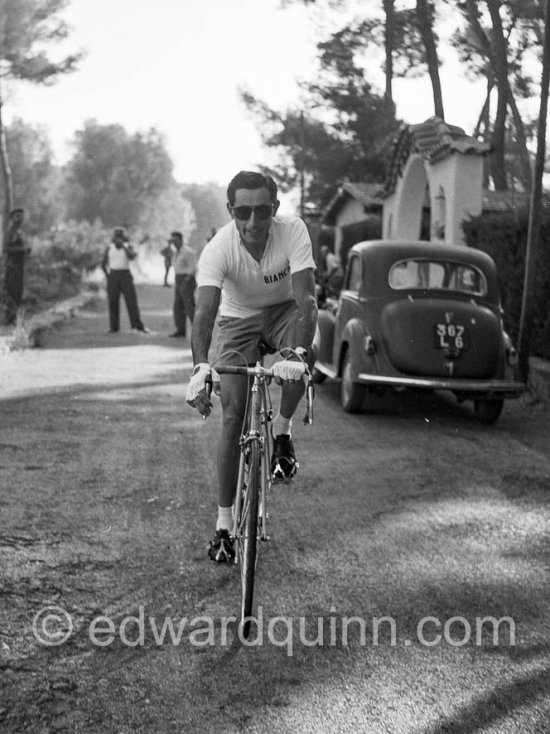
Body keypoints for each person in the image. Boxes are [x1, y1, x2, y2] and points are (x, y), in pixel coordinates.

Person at [185, 170, 318, 563]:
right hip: (238, 321)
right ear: (231, 211)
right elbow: (205, 314)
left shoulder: (293, 231)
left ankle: (281, 432)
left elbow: (307, 300)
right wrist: (199, 368)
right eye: (243, 212)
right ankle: (224, 526)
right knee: (233, 416)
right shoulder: (218, 249)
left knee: (305, 353)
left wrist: (296, 355)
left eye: (262, 211)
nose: (253, 222)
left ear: (275, 208)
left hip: (283, 312)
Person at [101, 227, 149, 334]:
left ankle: (137, 325)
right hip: (113, 275)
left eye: (120, 237)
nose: (119, 240)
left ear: (123, 238)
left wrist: (123, 246)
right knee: (113, 301)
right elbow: (103, 264)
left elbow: (132, 257)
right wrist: (108, 276)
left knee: (131, 301)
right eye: (117, 237)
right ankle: (114, 327)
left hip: (125, 275)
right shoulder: (109, 248)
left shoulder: (128, 247)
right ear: (114, 238)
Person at [3, 208, 31, 325]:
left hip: (20, 266)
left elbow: (24, 247)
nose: (20, 219)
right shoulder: (9, 232)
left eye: (21, 216)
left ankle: (14, 317)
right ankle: (9, 318)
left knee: (18, 292)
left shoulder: (21, 232)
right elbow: (5, 249)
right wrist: (21, 249)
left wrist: (27, 250)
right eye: (17, 216)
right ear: (12, 218)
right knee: (12, 291)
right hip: (11, 266)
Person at [169, 231, 196, 338]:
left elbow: (193, 267)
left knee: (189, 306)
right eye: (172, 241)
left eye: (176, 240)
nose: (174, 243)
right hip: (178, 278)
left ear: (181, 240)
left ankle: (197, 330)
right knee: (178, 306)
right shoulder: (176, 252)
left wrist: (187, 280)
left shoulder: (187, 251)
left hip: (187, 279)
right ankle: (180, 330)